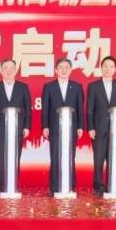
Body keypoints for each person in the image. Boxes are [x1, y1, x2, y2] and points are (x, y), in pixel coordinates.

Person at [0, 59, 32, 194]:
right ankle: (2, 187)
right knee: (1, 157)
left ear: (15, 70)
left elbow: (28, 108)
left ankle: (13, 185)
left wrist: (26, 126)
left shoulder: (23, 87)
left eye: (11, 68)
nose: (8, 71)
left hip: (18, 127)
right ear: (1, 71)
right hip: (0, 128)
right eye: (5, 68)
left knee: (15, 156)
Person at [41, 58, 85, 196]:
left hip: (71, 127)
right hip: (54, 128)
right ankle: (54, 187)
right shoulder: (49, 87)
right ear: (56, 70)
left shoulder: (76, 87)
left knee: (70, 156)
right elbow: (45, 109)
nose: (64, 70)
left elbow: (80, 108)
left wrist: (80, 126)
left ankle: (71, 186)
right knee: (55, 157)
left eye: (66, 67)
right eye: (61, 67)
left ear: (70, 70)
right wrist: (45, 126)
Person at [86, 56, 116, 197]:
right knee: (98, 159)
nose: (108, 69)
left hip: (115, 128)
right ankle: (98, 186)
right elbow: (90, 109)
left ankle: (112, 185)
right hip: (98, 128)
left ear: (115, 69)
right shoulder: (93, 86)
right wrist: (90, 128)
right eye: (105, 66)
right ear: (101, 68)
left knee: (113, 158)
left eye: (111, 66)